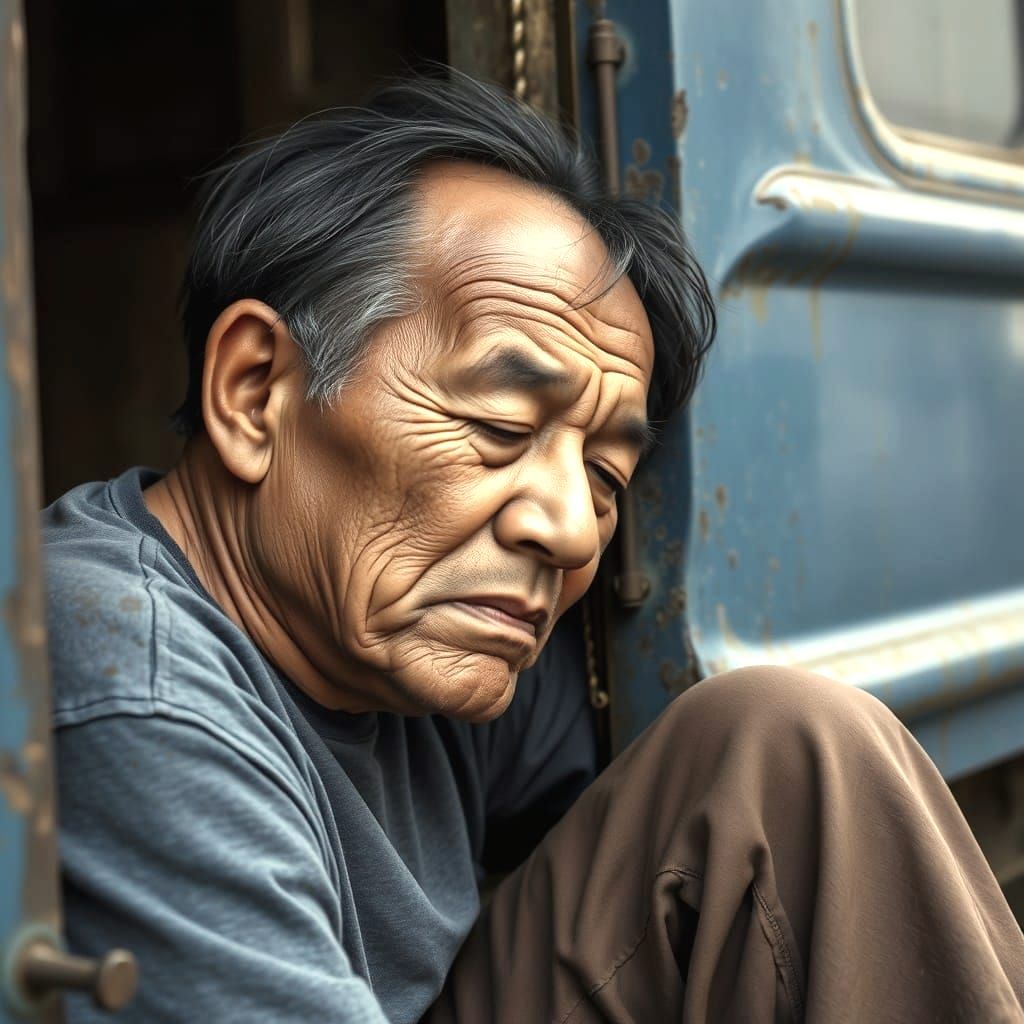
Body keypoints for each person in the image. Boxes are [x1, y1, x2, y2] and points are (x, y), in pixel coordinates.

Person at [43, 73, 1024, 1023]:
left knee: (784, 748)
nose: (563, 527)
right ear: (255, 393)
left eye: (604, 478)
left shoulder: (421, 632)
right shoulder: (124, 667)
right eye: (503, 427)